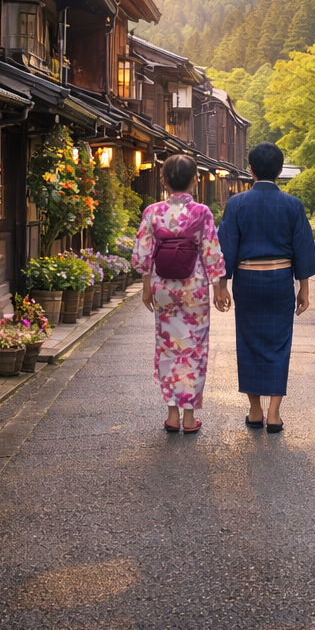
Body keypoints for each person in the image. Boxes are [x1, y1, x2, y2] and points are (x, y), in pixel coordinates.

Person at [216, 142, 315, 433]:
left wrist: (221, 286)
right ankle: (274, 413)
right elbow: (303, 249)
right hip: (280, 280)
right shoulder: (292, 205)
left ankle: (254, 409)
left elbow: (226, 248)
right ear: (279, 171)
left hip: (247, 281)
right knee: (279, 344)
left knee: (248, 342)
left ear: (250, 171)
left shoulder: (236, 203)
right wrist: (304, 289)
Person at [131, 155, 227, 434]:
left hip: (163, 285)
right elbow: (211, 252)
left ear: (163, 181)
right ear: (195, 180)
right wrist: (219, 287)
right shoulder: (202, 213)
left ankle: (172, 414)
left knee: (168, 347)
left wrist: (147, 286)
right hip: (193, 286)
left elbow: (143, 253)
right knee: (194, 349)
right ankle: (188, 416)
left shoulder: (153, 212)